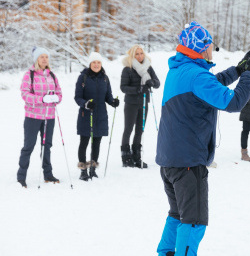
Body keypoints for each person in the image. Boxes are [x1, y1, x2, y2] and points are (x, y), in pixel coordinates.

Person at [153, 21, 250, 256]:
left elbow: (208, 83)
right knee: (194, 221)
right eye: (210, 48)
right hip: (189, 162)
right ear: (201, 50)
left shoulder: (180, 69)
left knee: (177, 215)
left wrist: (238, 69)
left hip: (170, 160)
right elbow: (233, 103)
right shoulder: (196, 76)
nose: (213, 52)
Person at [17, 47, 63, 188]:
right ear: (36, 59)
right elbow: (25, 94)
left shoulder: (52, 76)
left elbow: (59, 93)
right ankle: (21, 176)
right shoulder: (29, 75)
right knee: (29, 146)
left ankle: (48, 174)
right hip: (33, 116)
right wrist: (42, 99)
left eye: (46, 57)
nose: (44, 59)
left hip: (49, 117)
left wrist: (55, 98)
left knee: (47, 146)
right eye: (41, 57)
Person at [74, 52, 120, 181]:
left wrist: (113, 102)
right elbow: (77, 97)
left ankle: (92, 168)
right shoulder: (83, 78)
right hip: (86, 115)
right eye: (94, 62)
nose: (96, 64)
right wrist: (86, 104)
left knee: (96, 143)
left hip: (100, 115)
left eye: (98, 62)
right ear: (90, 64)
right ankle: (83, 170)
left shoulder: (105, 78)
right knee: (84, 142)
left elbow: (108, 96)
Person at [120, 45, 160, 168]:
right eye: (136, 54)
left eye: (141, 53)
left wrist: (151, 83)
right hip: (131, 103)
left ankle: (137, 157)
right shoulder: (128, 69)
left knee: (140, 130)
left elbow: (157, 83)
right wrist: (138, 89)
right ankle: (126, 157)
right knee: (128, 129)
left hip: (143, 103)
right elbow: (123, 87)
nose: (139, 56)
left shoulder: (148, 67)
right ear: (132, 55)